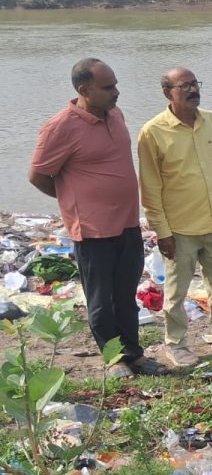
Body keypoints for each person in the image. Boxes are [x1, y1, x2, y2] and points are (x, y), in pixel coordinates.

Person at [28, 58, 165, 377]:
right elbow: (38, 175)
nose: (116, 92)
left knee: (126, 296)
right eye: (108, 87)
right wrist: (75, 201)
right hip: (92, 230)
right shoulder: (60, 127)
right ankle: (113, 359)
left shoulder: (115, 115)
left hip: (128, 224)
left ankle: (134, 354)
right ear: (84, 90)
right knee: (101, 300)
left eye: (115, 84)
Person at [137, 66, 212, 367]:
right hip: (180, 228)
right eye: (184, 86)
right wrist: (162, 231)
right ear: (167, 93)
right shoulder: (153, 132)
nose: (192, 90)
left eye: (194, 84)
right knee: (176, 291)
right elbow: (150, 186)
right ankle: (176, 344)